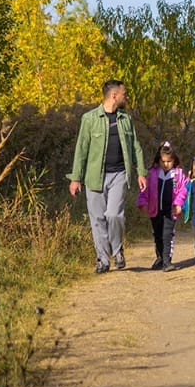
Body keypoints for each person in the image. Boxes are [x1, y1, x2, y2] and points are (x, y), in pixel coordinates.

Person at [69, 79, 148, 274]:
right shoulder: (89, 119)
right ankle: (103, 260)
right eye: (124, 93)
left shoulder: (125, 119)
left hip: (119, 174)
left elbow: (135, 146)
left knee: (114, 215)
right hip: (94, 177)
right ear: (114, 95)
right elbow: (81, 149)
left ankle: (117, 249)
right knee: (97, 219)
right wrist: (75, 178)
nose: (126, 96)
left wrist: (141, 172)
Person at [136, 141, 187, 271]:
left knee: (167, 235)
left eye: (169, 161)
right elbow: (144, 190)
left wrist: (178, 204)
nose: (166, 164)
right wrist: (142, 203)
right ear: (158, 160)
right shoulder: (152, 173)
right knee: (157, 234)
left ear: (174, 160)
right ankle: (160, 258)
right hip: (155, 210)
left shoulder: (178, 174)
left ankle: (167, 261)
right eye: (163, 161)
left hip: (170, 211)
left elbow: (183, 191)